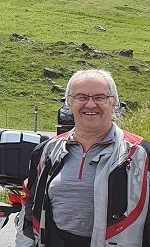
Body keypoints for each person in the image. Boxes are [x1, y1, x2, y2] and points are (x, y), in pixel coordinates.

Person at [21, 69, 150, 247]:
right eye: (81, 97)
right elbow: (30, 204)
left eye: (100, 97)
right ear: (69, 103)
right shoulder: (46, 152)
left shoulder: (141, 154)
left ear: (113, 103)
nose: (90, 104)